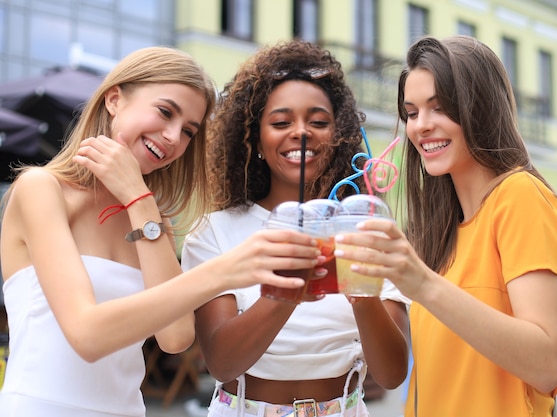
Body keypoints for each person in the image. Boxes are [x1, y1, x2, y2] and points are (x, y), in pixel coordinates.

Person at [0, 46, 322, 417]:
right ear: (115, 99)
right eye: (165, 112)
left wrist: (139, 201)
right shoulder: (42, 189)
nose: (173, 137)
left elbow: (175, 337)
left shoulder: (149, 217)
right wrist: (227, 270)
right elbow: (86, 335)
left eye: (188, 131)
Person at [332, 36, 557, 417]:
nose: (421, 126)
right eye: (411, 113)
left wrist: (422, 284)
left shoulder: (520, 196)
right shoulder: (439, 228)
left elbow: (547, 364)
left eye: (439, 108)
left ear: (480, 108)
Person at [181, 39, 410, 417]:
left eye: (319, 122)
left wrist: (362, 292)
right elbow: (222, 363)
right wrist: (286, 291)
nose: (301, 132)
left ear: (339, 137)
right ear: (254, 139)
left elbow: (391, 374)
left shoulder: (366, 229)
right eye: (281, 122)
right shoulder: (215, 232)